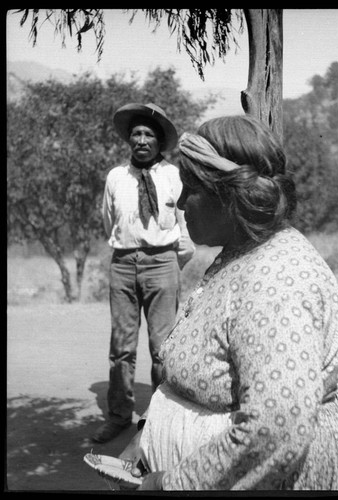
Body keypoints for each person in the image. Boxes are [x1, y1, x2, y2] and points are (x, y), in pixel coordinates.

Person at [115, 114, 338, 490]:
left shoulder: (277, 282)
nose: (179, 203)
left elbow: (277, 426)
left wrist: (172, 484)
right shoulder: (242, 253)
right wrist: (147, 432)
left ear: (229, 194)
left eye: (189, 190)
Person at [92, 103, 195, 443]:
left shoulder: (174, 176)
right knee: (121, 346)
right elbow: (110, 222)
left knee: (162, 345)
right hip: (122, 264)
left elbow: (185, 229)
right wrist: (129, 252)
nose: (141, 140)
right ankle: (119, 415)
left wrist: (167, 263)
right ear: (128, 140)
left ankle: (160, 419)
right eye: (136, 134)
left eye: (148, 134)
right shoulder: (116, 177)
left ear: (159, 141)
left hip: (162, 262)